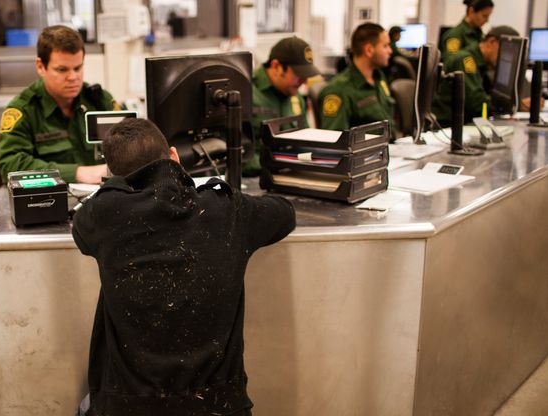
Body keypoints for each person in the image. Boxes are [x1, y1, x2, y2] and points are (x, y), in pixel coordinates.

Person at [71, 118, 296, 416]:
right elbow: (285, 213)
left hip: (131, 407)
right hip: (218, 407)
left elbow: (81, 228)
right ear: (175, 157)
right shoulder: (227, 210)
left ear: (112, 176)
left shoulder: (103, 215)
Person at [0, 25, 119, 184]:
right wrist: (76, 173)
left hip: (103, 196)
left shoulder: (99, 100)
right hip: (51, 200)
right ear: (41, 66)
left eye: (78, 68)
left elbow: (131, 145)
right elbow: (10, 165)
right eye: (62, 70)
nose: (73, 77)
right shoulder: (24, 110)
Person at [245, 36, 321, 175]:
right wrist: (279, 163)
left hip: (291, 176)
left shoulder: (296, 98)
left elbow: (307, 143)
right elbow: (237, 157)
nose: (304, 82)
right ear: (276, 67)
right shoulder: (245, 92)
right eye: (299, 75)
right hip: (252, 179)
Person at [432, 25, 533, 126]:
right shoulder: (466, 60)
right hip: (445, 127)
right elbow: (476, 104)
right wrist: (516, 106)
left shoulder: (481, 64)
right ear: (492, 42)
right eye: (505, 51)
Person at [319, 23, 395, 133]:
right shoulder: (339, 89)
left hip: (390, 146)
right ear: (369, 50)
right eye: (385, 46)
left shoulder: (379, 78)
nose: (390, 51)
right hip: (368, 149)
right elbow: (333, 140)